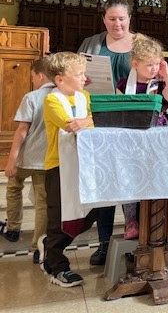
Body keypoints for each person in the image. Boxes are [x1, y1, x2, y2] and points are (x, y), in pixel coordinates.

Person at [78, 0, 133, 266]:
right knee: (106, 182)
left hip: (132, 120)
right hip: (98, 117)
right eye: (111, 18)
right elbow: (74, 74)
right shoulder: (92, 43)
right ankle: (103, 243)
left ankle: (135, 241)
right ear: (104, 19)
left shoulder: (140, 44)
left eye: (121, 18)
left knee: (131, 181)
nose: (117, 23)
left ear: (129, 19)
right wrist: (81, 78)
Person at [39, 52, 96, 287]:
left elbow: (95, 119)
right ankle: (56, 266)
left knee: (91, 213)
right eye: (79, 74)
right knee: (59, 218)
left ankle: (51, 245)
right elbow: (70, 125)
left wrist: (88, 121)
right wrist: (88, 121)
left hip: (84, 164)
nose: (85, 78)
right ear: (60, 79)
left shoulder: (85, 96)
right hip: (58, 166)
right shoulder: (52, 100)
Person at [115, 34, 168, 239]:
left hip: (156, 139)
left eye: (156, 64)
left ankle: (159, 222)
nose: (153, 69)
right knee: (131, 180)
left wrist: (166, 76)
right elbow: (118, 109)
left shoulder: (158, 83)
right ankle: (131, 221)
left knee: (156, 180)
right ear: (135, 64)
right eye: (149, 65)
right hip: (131, 138)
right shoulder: (124, 84)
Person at [1, 59, 52, 262]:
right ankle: (38, 246)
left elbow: (22, 131)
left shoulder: (32, 97)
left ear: (40, 75)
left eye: (32, 77)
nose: (33, 80)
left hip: (26, 157)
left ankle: (13, 228)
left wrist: (10, 160)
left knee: (14, 186)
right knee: (42, 203)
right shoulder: (61, 96)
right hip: (46, 159)